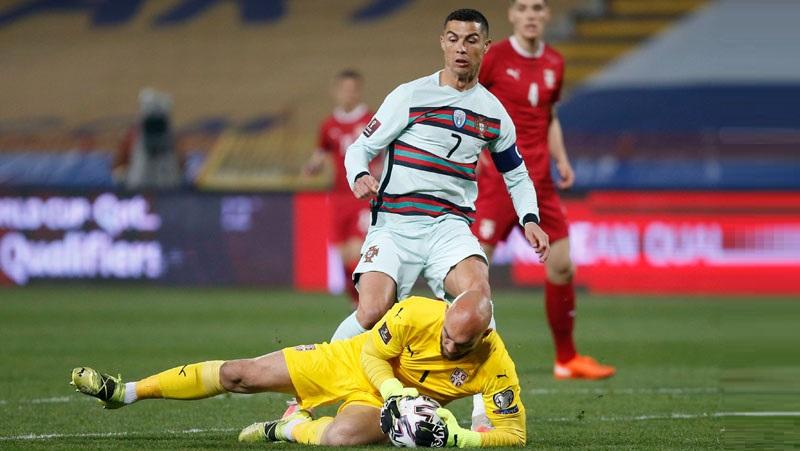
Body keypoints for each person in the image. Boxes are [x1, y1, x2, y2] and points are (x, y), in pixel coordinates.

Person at [330, 8, 549, 344]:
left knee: (479, 300)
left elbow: (516, 174)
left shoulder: (493, 113)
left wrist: (530, 218)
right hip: (395, 224)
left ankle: (487, 397)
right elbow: (359, 148)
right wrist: (359, 175)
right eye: (454, 39)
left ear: (486, 46)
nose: (461, 47)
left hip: (449, 227)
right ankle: (310, 392)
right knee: (372, 310)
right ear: (443, 44)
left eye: (471, 40)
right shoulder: (410, 96)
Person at [69, 291, 527, 447]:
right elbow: (370, 355)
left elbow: (514, 435)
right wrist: (395, 391)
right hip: (353, 362)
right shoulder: (417, 312)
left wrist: (462, 438)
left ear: (483, 337)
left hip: (384, 405)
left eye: (458, 343)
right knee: (239, 374)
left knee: (340, 439)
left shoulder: (496, 361)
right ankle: (123, 391)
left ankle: (287, 428)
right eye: (446, 333)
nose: (448, 343)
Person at [470, 0, 615, 381]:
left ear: (546, 16)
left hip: (540, 183)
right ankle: (455, 352)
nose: (531, 14)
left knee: (563, 265)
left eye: (538, 7)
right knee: (470, 270)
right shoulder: (495, 57)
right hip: (499, 182)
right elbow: (467, 102)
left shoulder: (554, 62)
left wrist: (561, 158)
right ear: (512, 16)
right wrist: (476, 148)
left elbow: (548, 116)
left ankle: (566, 359)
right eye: (523, 8)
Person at [302, 70, 381, 307]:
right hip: (339, 198)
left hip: (363, 196)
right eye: (344, 89)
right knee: (344, 256)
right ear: (336, 92)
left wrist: (380, 170)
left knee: (358, 252)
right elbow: (322, 151)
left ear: (359, 91)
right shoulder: (328, 125)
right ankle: (357, 304)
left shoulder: (371, 119)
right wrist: (312, 166)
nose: (348, 94)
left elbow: (385, 150)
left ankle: (369, 303)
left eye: (353, 89)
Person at [113, 88, 182, 190]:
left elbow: (180, 165)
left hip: (166, 183)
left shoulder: (171, 138)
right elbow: (118, 165)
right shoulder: (132, 136)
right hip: (139, 184)